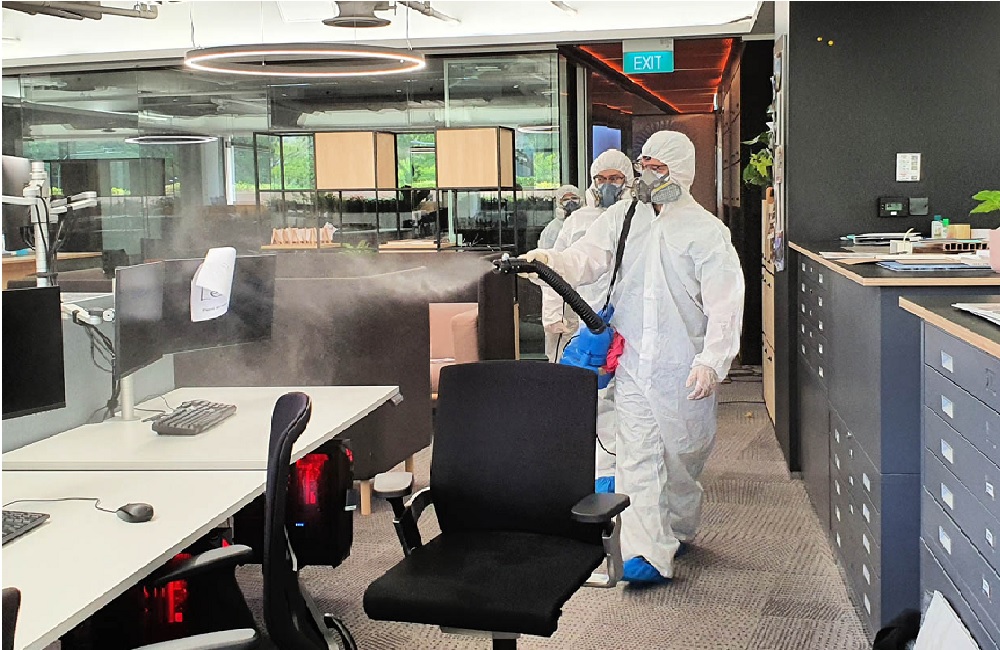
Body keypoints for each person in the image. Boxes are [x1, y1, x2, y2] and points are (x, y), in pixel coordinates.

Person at [522, 131, 745, 583]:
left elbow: (726, 301)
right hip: (634, 362)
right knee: (636, 457)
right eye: (644, 164)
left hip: (683, 366)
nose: (647, 174)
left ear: (680, 171)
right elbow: (586, 258)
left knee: (682, 458)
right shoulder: (624, 217)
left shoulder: (705, 231)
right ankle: (645, 551)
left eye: (657, 167)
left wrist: (712, 360)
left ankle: (677, 528)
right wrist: (549, 261)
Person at [541, 150, 634, 490]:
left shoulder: (638, 217)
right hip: (586, 319)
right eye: (601, 179)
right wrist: (554, 314)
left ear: (628, 181)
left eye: (615, 178)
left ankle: (628, 470)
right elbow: (557, 268)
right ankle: (592, 472)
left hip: (628, 320)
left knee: (629, 399)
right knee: (590, 397)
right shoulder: (577, 222)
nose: (608, 185)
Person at [539, 184, 582, 361]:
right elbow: (548, 267)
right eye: (566, 199)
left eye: (574, 198)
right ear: (558, 202)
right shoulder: (552, 230)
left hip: (580, 289)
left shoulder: (583, 224)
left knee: (576, 334)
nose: (571, 202)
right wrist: (551, 312)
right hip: (560, 290)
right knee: (560, 338)